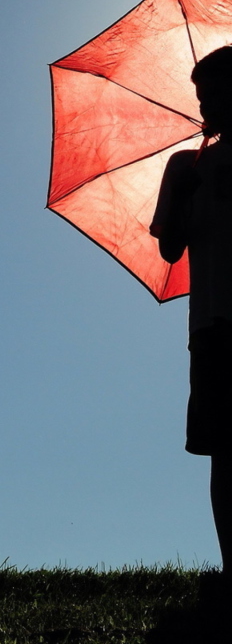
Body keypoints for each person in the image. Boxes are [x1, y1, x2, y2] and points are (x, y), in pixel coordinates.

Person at [151, 45, 232, 591]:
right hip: (211, 323)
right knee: (224, 448)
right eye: (199, 94)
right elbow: (169, 250)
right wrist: (182, 195)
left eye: (212, 94)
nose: (202, 103)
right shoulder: (186, 164)